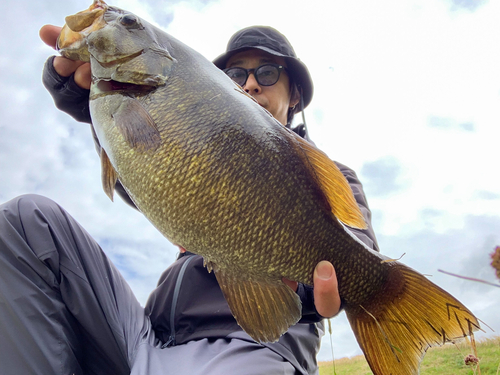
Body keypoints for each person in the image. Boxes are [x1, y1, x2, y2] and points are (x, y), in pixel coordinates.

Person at [0, 24, 378, 375]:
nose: (250, 83)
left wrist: (318, 290)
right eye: (235, 74)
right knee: (26, 221)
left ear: (294, 93)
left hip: (254, 347)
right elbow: (144, 175)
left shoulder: (331, 175)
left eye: (267, 73)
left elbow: (355, 248)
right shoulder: (193, 149)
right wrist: (92, 108)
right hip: (148, 337)